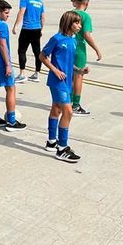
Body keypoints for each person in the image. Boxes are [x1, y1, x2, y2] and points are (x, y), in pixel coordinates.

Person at [40, 11, 82, 162]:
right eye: (77, 23)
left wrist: (79, 70)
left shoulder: (73, 40)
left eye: (80, 23)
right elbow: (42, 56)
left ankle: (52, 141)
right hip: (57, 81)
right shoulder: (56, 39)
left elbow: (68, 62)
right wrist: (55, 70)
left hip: (67, 81)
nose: (80, 26)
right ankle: (62, 148)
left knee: (56, 108)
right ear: (68, 23)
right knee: (68, 112)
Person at [0, 0, 26, 131]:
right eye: (6, 13)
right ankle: (12, 122)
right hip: (1, 62)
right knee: (11, 89)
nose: (8, 16)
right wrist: (8, 64)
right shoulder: (2, 25)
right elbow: (2, 45)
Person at [70, 0, 104, 116]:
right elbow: (86, 35)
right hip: (79, 49)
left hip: (67, 47)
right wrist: (97, 49)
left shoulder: (69, 14)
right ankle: (75, 105)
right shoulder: (85, 16)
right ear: (86, 3)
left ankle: (67, 102)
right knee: (79, 76)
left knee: (69, 76)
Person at [11, 0, 45, 82]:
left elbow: (22, 12)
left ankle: (22, 74)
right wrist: (41, 29)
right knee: (37, 52)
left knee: (21, 51)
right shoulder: (40, 1)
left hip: (27, 28)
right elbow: (43, 17)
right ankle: (37, 74)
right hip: (37, 29)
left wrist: (15, 26)